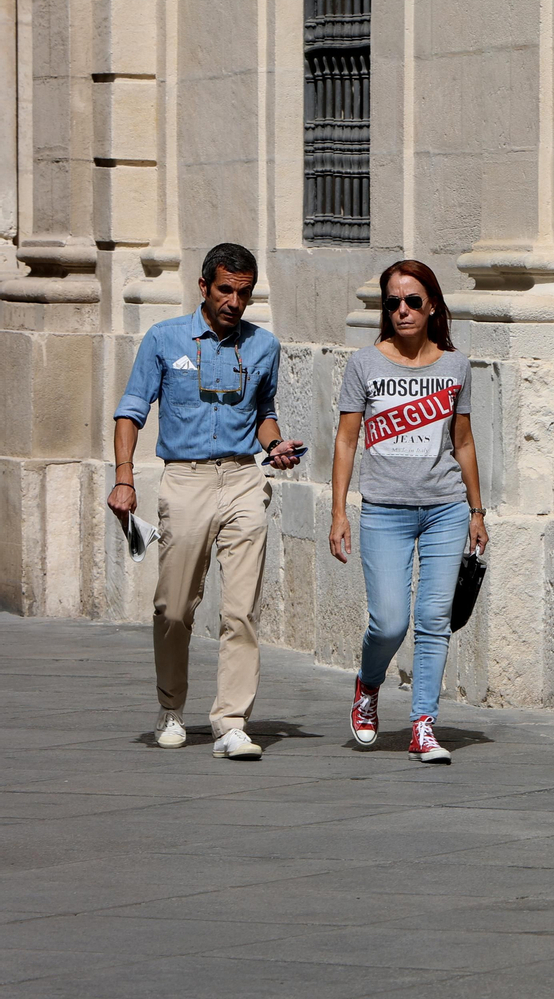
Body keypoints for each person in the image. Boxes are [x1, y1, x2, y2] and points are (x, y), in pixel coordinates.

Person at [106, 243, 306, 760]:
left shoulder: (264, 346)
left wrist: (275, 446)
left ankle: (231, 722)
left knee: (241, 610)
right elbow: (131, 410)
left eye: (243, 293)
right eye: (225, 290)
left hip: (242, 479)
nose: (234, 303)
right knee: (174, 607)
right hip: (185, 480)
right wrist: (124, 479)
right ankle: (171, 707)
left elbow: (265, 412)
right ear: (203, 287)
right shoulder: (164, 338)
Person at [329, 259, 488, 764]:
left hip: (445, 509)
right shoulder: (364, 364)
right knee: (390, 622)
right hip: (384, 511)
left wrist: (477, 510)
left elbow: (462, 442)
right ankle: (368, 685)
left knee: (434, 617)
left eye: (412, 301)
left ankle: (423, 724)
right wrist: (339, 512)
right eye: (392, 302)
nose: (401, 310)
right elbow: (346, 441)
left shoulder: (454, 366)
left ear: (431, 306)